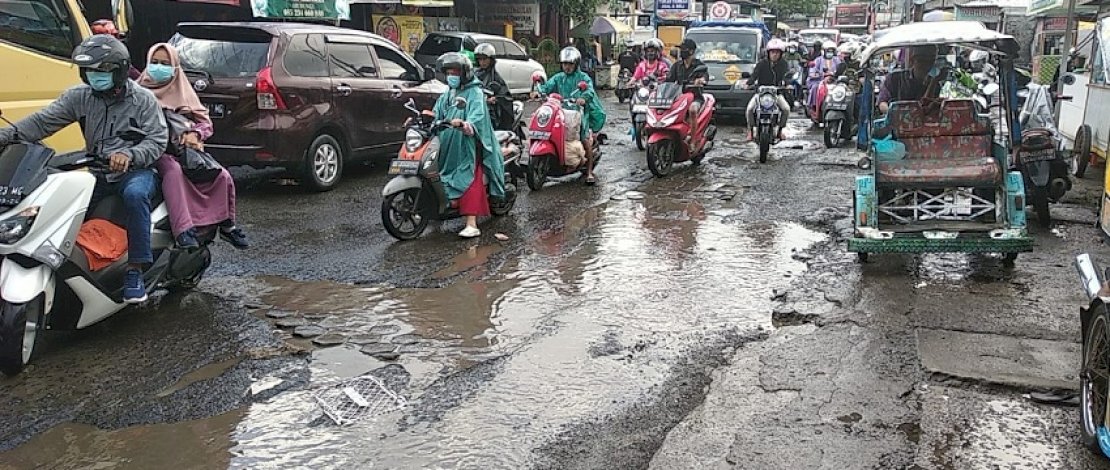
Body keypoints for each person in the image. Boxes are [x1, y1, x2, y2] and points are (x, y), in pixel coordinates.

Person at [0, 35, 168, 303]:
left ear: (120, 70)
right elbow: (42, 123)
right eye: (90, 71)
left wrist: (130, 154)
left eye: (101, 71)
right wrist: (6, 135)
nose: (95, 76)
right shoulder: (79, 97)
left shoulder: (143, 100)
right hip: (97, 171)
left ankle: (135, 269)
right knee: (61, 201)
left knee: (136, 196)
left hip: (135, 172)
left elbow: (158, 140)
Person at [137, 43, 249, 251]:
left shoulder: (183, 91)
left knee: (221, 175)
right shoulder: (137, 92)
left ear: (175, 67)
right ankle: (183, 230)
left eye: (165, 64)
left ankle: (227, 224)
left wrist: (195, 134)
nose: (159, 67)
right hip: (155, 152)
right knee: (173, 172)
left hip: (185, 152)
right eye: (155, 63)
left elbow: (205, 123)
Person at [433, 52, 507, 238]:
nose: (452, 76)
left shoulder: (475, 92)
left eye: (455, 72)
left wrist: (466, 124)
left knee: (469, 175)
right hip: (448, 145)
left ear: (464, 73)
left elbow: (478, 116)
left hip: (469, 144)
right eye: (448, 72)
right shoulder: (448, 93)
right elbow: (437, 111)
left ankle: (472, 223)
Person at [531, 47, 605, 185]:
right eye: (565, 64)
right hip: (560, 111)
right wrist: (539, 91)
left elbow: (589, 90)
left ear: (576, 64)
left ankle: (589, 172)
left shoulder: (583, 77)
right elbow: (547, 87)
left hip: (579, 113)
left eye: (570, 64)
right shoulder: (559, 77)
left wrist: (583, 98)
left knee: (584, 138)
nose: (567, 67)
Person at [745, 39, 791, 140]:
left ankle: (780, 130)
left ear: (781, 54)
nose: (774, 54)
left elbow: (787, 76)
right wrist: (748, 83)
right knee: (749, 109)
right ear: (768, 53)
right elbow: (754, 75)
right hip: (761, 94)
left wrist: (787, 84)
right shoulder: (762, 63)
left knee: (786, 109)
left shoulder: (784, 64)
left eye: (777, 52)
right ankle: (750, 130)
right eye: (772, 52)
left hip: (776, 94)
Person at [666, 39, 710, 144]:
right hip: (679, 97)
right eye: (680, 49)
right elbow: (668, 80)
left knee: (692, 110)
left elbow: (705, 76)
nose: (681, 52)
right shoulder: (677, 65)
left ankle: (693, 140)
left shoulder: (699, 65)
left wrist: (701, 80)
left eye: (683, 49)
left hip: (695, 97)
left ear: (691, 51)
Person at [878, 44, 939, 114]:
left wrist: (933, 83)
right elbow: (882, 103)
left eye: (931, 61)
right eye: (922, 60)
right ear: (912, 60)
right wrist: (895, 114)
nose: (926, 65)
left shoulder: (935, 85)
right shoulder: (894, 78)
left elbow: (928, 108)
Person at [473, 43, 513, 131]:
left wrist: (495, 99)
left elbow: (505, 96)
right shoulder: (474, 74)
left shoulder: (495, 77)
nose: (482, 62)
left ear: (491, 60)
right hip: (474, 107)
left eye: (484, 59)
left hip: (490, 112)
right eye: (480, 59)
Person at [807, 41, 841, 113]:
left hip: (834, 81)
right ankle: (814, 107)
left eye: (831, 51)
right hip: (819, 81)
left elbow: (840, 69)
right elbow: (812, 71)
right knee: (815, 87)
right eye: (828, 51)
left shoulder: (837, 60)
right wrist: (821, 75)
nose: (830, 53)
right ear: (824, 51)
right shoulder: (818, 60)